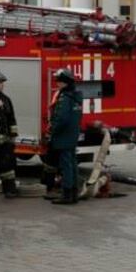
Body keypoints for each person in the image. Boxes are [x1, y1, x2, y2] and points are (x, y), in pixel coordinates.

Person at [46, 69, 83, 205]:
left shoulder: (65, 98)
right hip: (72, 134)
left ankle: (67, 194)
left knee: (66, 164)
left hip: (63, 136)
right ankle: (73, 192)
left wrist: (53, 130)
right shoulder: (76, 96)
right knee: (72, 163)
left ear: (64, 82)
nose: (57, 84)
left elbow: (61, 118)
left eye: (59, 81)